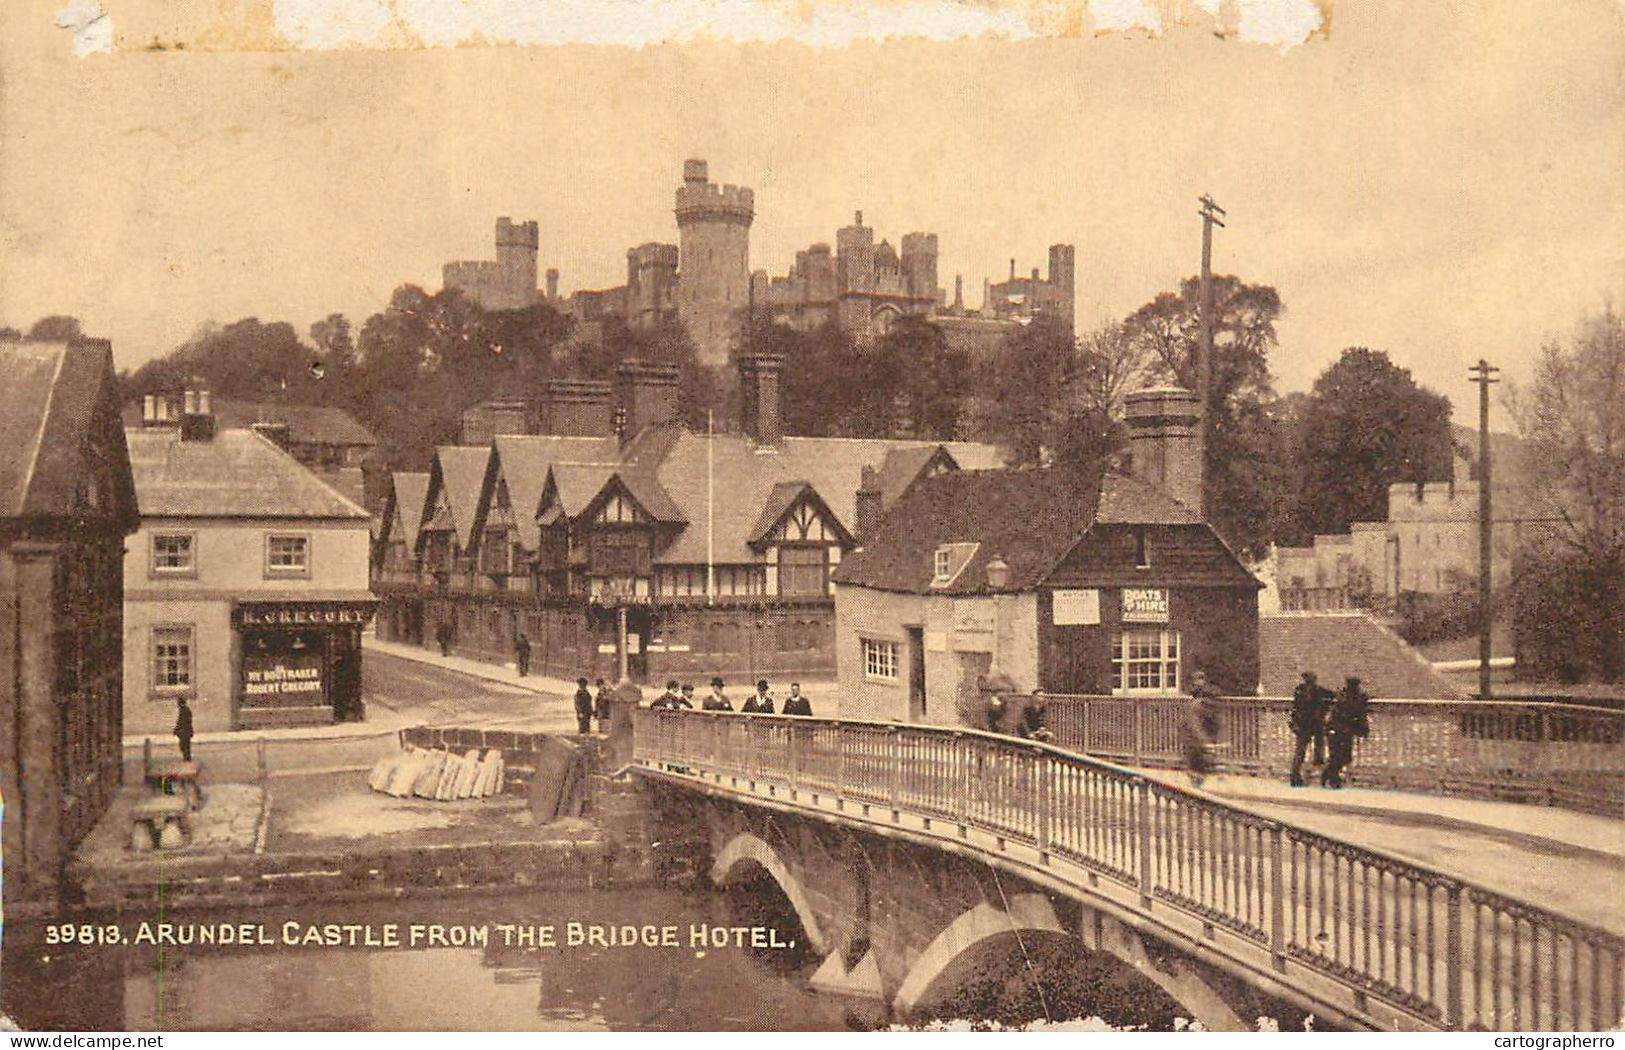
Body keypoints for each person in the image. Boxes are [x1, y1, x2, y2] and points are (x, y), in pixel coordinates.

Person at [1321, 677, 1371, 789]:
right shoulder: (1354, 698)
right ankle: (1333, 780)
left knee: (1338, 755)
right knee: (1342, 756)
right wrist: (1363, 729)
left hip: (1336, 729)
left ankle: (1328, 775)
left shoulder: (1342, 695)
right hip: (1342, 729)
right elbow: (1360, 713)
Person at [1289, 670, 1332, 786]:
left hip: (1302, 725)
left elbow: (1295, 707)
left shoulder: (1299, 690)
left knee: (1300, 751)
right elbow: (1331, 695)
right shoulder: (1318, 690)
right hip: (1314, 724)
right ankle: (1318, 765)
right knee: (1319, 745)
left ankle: (1295, 775)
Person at [1181, 670, 1222, 788]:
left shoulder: (1198, 705)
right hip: (1195, 743)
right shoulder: (1196, 706)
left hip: (1195, 743)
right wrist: (1205, 742)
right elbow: (1195, 726)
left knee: (1197, 773)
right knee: (1197, 773)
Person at [173, 696, 194, 763]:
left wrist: (177, 729)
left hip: (185, 731)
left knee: (184, 746)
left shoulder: (184, 710)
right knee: (185, 746)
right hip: (185, 731)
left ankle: (187, 759)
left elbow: (182, 721)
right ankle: (187, 759)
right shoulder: (185, 709)